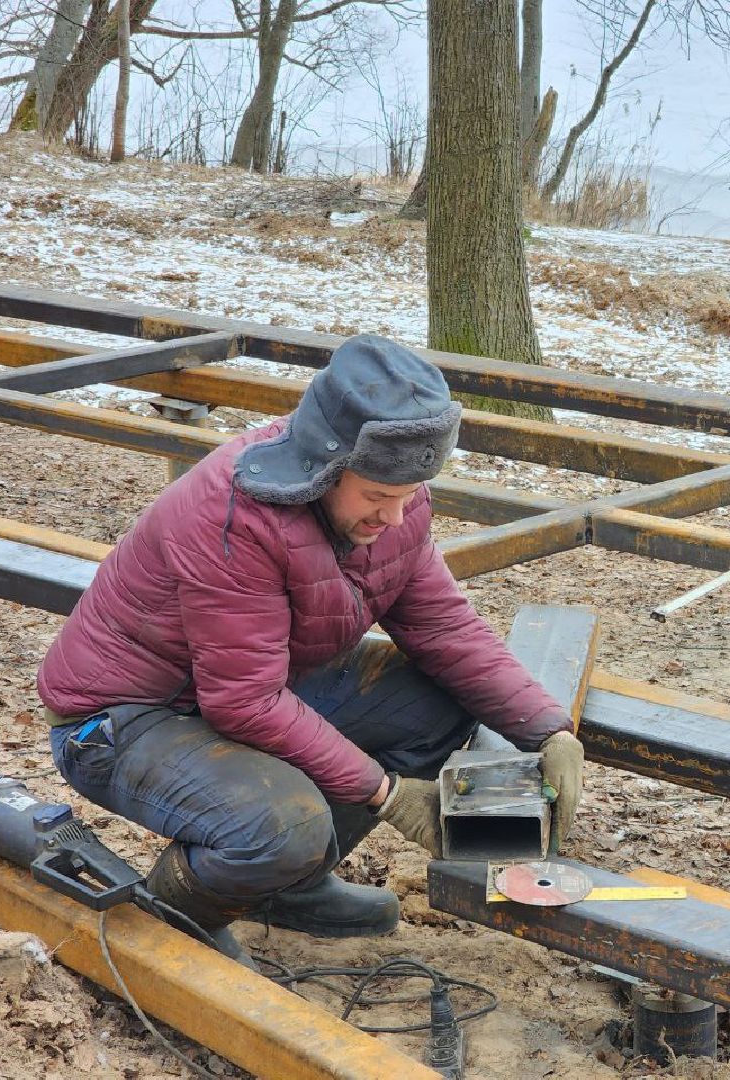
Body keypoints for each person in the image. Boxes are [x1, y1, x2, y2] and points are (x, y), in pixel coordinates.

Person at [38, 335, 584, 966]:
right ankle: (174, 919)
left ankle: (285, 887)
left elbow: (442, 626)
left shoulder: (393, 489)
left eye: (410, 495)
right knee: (285, 825)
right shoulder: (235, 516)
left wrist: (547, 730)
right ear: (324, 465)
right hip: (123, 718)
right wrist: (386, 793)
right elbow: (243, 700)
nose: (397, 516)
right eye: (378, 498)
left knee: (435, 704)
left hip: (252, 682)